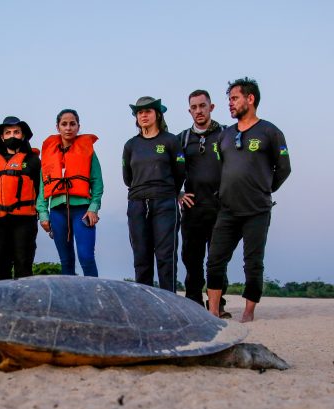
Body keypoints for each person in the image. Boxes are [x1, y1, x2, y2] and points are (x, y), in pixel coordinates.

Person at [205, 78, 291, 322]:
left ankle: (248, 312)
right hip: (228, 209)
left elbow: (284, 168)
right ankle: (212, 311)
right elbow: (223, 168)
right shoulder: (225, 135)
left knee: (253, 263)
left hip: (257, 210)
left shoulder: (270, 132)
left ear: (250, 99)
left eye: (234, 98)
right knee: (214, 260)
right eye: (229, 100)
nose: (230, 104)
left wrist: (264, 188)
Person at [123, 96, 186, 291]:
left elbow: (180, 173)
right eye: (140, 112)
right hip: (137, 203)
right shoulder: (131, 145)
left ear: (157, 114)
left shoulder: (170, 141)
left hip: (164, 202)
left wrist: (170, 192)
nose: (144, 115)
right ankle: (144, 306)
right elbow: (127, 177)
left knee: (166, 256)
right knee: (141, 257)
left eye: (148, 111)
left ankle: (170, 304)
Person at [177, 89, 229, 315]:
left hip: (221, 208)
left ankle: (218, 306)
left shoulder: (227, 134)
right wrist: (178, 194)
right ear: (189, 111)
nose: (199, 111)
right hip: (192, 209)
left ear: (211, 107)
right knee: (191, 259)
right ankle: (193, 304)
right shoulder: (182, 139)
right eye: (194, 107)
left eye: (202, 106)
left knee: (217, 260)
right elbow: (170, 170)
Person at [37, 109, 103, 276]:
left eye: (72, 124)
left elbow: (97, 183)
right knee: (66, 261)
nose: (68, 128)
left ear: (78, 126)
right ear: (57, 127)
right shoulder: (48, 153)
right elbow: (43, 186)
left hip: (82, 211)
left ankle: (94, 298)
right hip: (57, 212)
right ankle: (70, 302)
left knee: (86, 257)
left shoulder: (88, 151)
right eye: (64, 124)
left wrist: (93, 208)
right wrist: (43, 214)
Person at [0, 116, 41, 280]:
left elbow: (39, 189)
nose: (12, 136)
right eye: (8, 132)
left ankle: (23, 304)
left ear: (23, 136)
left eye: (16, 132)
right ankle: (1, 303)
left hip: (24, 220)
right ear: (2, 137)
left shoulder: (33, 160)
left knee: (23, 264)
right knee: (0, 264)